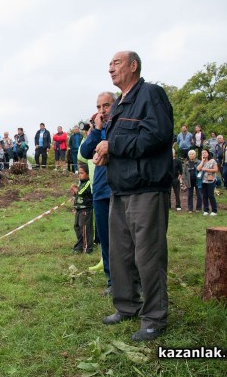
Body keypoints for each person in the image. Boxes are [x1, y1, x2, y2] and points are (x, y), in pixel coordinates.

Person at [95, 51, 173, 341]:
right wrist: (105, 154)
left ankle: (154, 318)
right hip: (120, 190)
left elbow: (157, 136)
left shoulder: (151, 94)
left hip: (147, 190)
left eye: (115, 63)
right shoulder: (117, 106)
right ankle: (126, 306)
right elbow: (117, 144)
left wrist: (112, 145)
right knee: (120, 254)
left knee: (148, 257)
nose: (110, 68)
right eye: (110, 64)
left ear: (133, 66)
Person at [80, 91, 116, 296]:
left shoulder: (120, 126)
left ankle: (133, 279)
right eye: (98, 107)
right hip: (101, 190)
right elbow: (85, 152)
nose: (102, 111)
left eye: (106, 106)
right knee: (105, 238)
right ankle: (112, 281)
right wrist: (96, 130)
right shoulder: (97, 131)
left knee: (125, 238)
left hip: (119, 190)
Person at [71, 163, 94, 253]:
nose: (80, 175)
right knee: (77, 227)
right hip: (79, 209)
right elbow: (77, 195)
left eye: (82, 173)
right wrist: (74, 192)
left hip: (85, 209)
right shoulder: (81, 183)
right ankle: (80, 245)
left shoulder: (88, 183)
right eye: (79, 173)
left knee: (84, 228)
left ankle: (88, 248)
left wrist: (75, 189)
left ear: (88, 174)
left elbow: (80, 192)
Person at [197, 149, 218, 215]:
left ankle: (214, 210)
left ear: (208, 153)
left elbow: (216, 169)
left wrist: (206, 169)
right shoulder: (201, 162)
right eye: (202, 153)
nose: (204, 154)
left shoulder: (212, 161)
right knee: (204, 196)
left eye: (205, 152)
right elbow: (198, 169)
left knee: (211, 195)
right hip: (203, 181)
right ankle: (206, 210)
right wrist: (202, 161)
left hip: (211, 181)